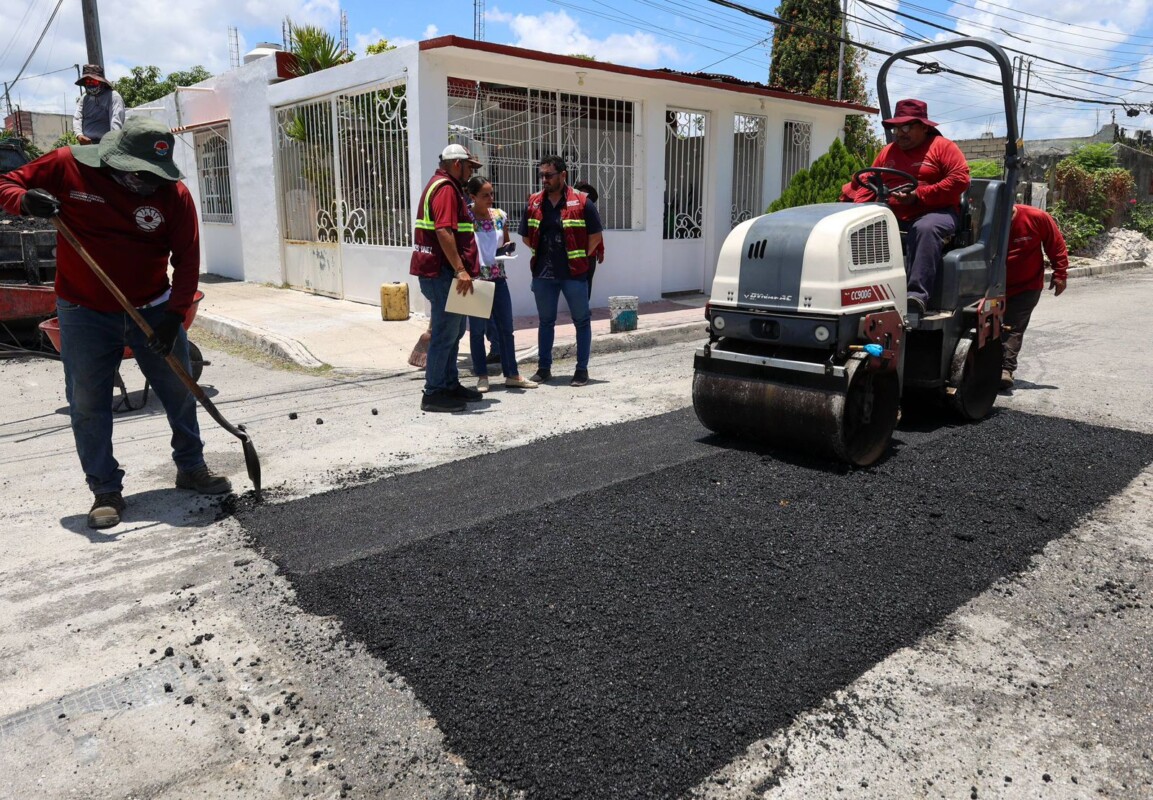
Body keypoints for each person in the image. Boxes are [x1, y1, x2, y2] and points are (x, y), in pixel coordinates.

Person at [0, 116, 231, 529]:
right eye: (139, 175)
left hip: (154, 306)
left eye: (154, 176)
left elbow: (189, 260)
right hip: (84, 310)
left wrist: (173, 316)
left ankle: (191, 467)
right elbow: (6, 185)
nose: (147, 183)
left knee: (179, 391)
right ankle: (105, 490)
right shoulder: (68, 165)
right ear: (115, 159)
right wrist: (25, 201)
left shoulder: (173, 195)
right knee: (88, 404)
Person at [843, 99, 970, 315]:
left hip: (935, 212)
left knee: (925, 228)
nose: (900, 133)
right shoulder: (888, 152)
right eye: (896, 128)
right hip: (894, 214)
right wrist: (855, 209)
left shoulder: (943, 147)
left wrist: (919, 195)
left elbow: (960, 180)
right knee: (859, 228)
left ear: (924, 126)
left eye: (906, 127)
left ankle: (916, 296)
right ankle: (861, 291)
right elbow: (868, 179)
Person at [409, 144, 485, 412]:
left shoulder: (445, 187)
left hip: (444, 272)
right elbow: (443, 232)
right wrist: (461, 269)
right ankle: (433, 392)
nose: (470, 173)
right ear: (456, 164)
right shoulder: (445, 189)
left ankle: (449, 384)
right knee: (445, 332)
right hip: (443, 273)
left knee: (455, 330)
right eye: (469, 167)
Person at [518, 156, 603, 387]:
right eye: (542, 175)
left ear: (563, 175)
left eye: (549, 175)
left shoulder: (583, 202)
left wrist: (579, 256)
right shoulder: (534, 202)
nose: (544, 179)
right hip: (543, 274)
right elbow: (526, 236)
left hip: (574, 274)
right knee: (546, 321)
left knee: (582, 321)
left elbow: (596, 237)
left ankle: (581, 370)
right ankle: (544, 369)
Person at [464, 175, 538, 392]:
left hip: (498, 277)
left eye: (492, 194)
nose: (490, 198)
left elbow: (504, 241)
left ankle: (512, 374)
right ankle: (482, 376)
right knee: (477, 331)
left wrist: (508, 248)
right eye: (485, 195)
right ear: (473, 196)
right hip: (476, 280)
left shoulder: (499, 216)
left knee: (506, 328)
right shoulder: (465, 216)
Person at [1000, 203, 1068, 390]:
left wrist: (1060, 273)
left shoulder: (1036, 217)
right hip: (991, 285)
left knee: (1012, 327)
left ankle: (1005, 369)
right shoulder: (985, 220)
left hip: (1026, 286)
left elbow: (1055, 244)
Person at [72, 65, 125, 145]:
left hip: (107, 144)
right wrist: (79, 135)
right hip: (87, 145)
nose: (90, 84)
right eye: (88, 82)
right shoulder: (84, 98)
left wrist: (110, 144)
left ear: (101, 82)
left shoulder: (113, 96)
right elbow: (77, 118)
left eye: (93, 81)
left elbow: (116, 122)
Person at [573, 180, 605, 299]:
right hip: (574, 254)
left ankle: (585, 306)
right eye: (581, 193)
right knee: (575, 282)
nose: (584, 196)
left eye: (586, 194)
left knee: (588, 281)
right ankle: (576, 307)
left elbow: (598, 234)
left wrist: (601, 251)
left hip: (590, 255)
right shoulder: (570, 210)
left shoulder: (591, 211)